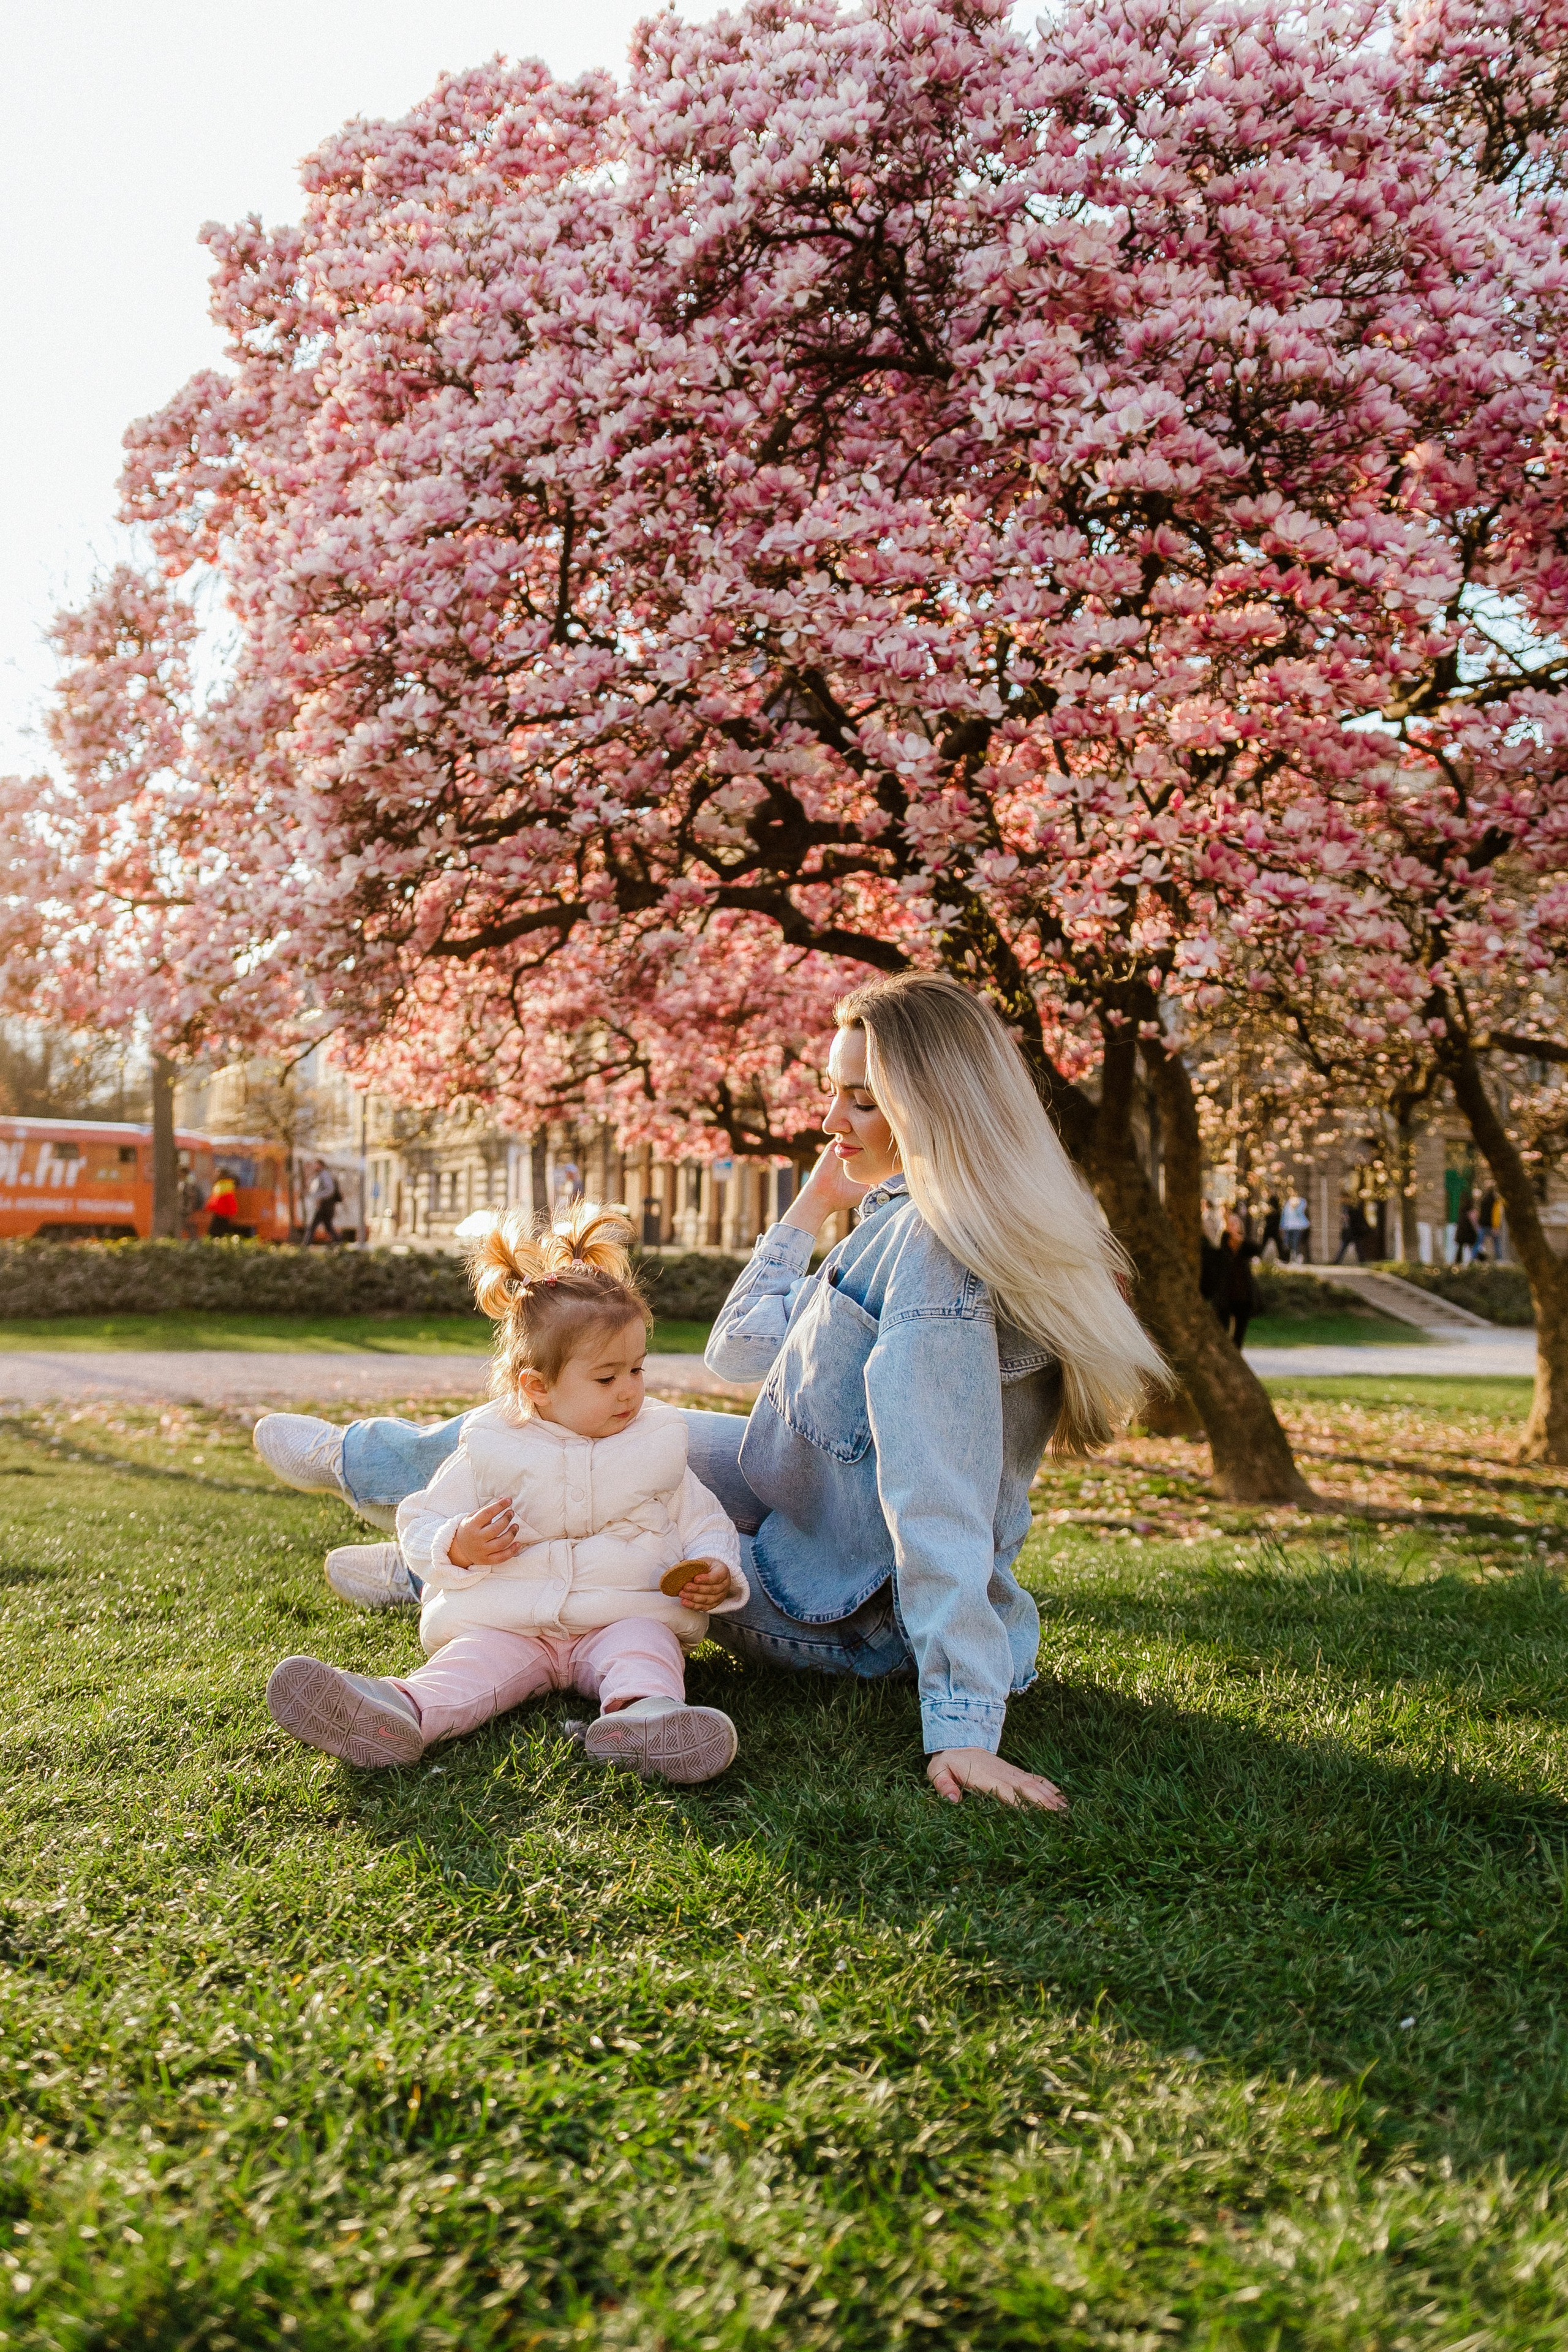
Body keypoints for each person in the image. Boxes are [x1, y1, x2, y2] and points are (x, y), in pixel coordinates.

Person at [254, 973, 1166, 1808]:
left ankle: (442, 1559)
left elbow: (940, 1495)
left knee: (622, 1506)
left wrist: (965, 1727)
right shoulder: (897, 1222)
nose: (830, 1120)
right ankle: (386, 1490)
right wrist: (812, 1210)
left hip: (839, 1604)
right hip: (802, 1500)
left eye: (862, 1099)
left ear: (934, 1108)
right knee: (616, 1425)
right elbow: (739, 1349)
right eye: (832, 1092)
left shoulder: (936, 1260)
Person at [265, 1205, 747, 1781]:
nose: (629, 1392)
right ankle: (401, 1708)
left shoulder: (657, 1444)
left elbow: (705, 1519)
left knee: (646, 1650)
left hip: (620, 1613)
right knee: (467, 1668)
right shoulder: (491, 1446)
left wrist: (716, 1566)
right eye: (606, 1377)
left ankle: (646, 1718)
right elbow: (421, 1517)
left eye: (638, 1370)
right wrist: (458, 1546)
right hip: (511, 1622)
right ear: (536, 1387)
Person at [1200, 1211, 1261, 1347]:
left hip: (1243, 1296)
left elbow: (1257, 1249)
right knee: (1222, 1331)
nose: (1234, 1226)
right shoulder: (1221, 1245)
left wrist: (1240, 1240)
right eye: (1231, 1223)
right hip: (1225, 1296)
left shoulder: (1244, 1247)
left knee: (1239, 1335)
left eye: (1236, 1223)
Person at [303, 1162, 342, 1246]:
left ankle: (306, 1244)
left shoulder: (325, 1175)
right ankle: (338, 1241)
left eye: (316, 1164)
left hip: (325, 1205)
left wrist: (319, 1197)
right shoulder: (321, 1175)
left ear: (321, 1165)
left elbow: (330, 1190)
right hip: (325, 1205)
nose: (314, 1166)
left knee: (313, 1225)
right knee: (328, 1225)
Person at [206, 1168, 241, 1238]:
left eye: (218, 1173)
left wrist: (232, 1212)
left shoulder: (226, 1185)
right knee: (217, 1233)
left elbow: (231, 1200)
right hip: (217, 1213)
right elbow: (214, 1199)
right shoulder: (219, 1185)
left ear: (223, 1175)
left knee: (216, 1233)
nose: (215, 1175)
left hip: (223, 1215)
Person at [1279, 1193, 1310, 1264]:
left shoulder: (1301, 1202)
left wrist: (1296, 1206)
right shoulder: (1287, 1203)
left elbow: (1300, 1212)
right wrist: (1281, 1225)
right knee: (1287, 1242)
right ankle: (1288, 1258)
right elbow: (1284, 1215)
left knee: (1295, 1242)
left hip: (1297, 1227)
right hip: (1288, 1226)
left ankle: (1297, 1258)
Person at [1259, 1194, 1283, 1262]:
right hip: (1273, 1230)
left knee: (1276, 1244)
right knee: (1278, 1244)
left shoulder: (1274, 1213)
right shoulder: (1277, 1212)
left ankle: (1260, 1255)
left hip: (1271, 1230)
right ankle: (1281, 1257)